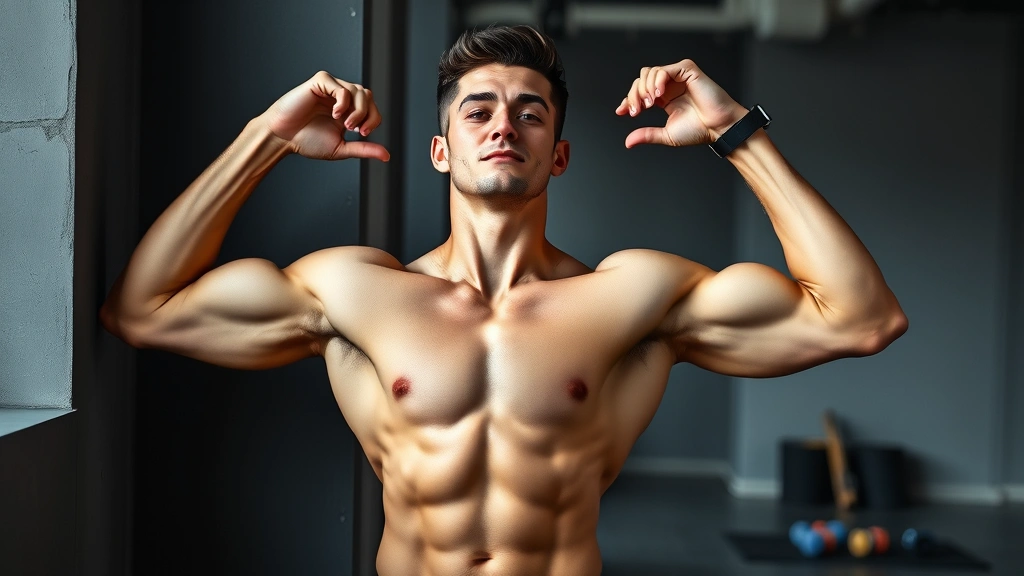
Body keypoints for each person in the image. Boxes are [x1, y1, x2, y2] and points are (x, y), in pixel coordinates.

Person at [101, 24, 907, 576]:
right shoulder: (357, 289)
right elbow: (145, 309)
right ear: (442, 149)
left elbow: (862, 318)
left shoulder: (632, 298)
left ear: (556, 155)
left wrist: (737, 133)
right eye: (478, 110)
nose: (503, 127)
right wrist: (266, 138)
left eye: (530, 113)